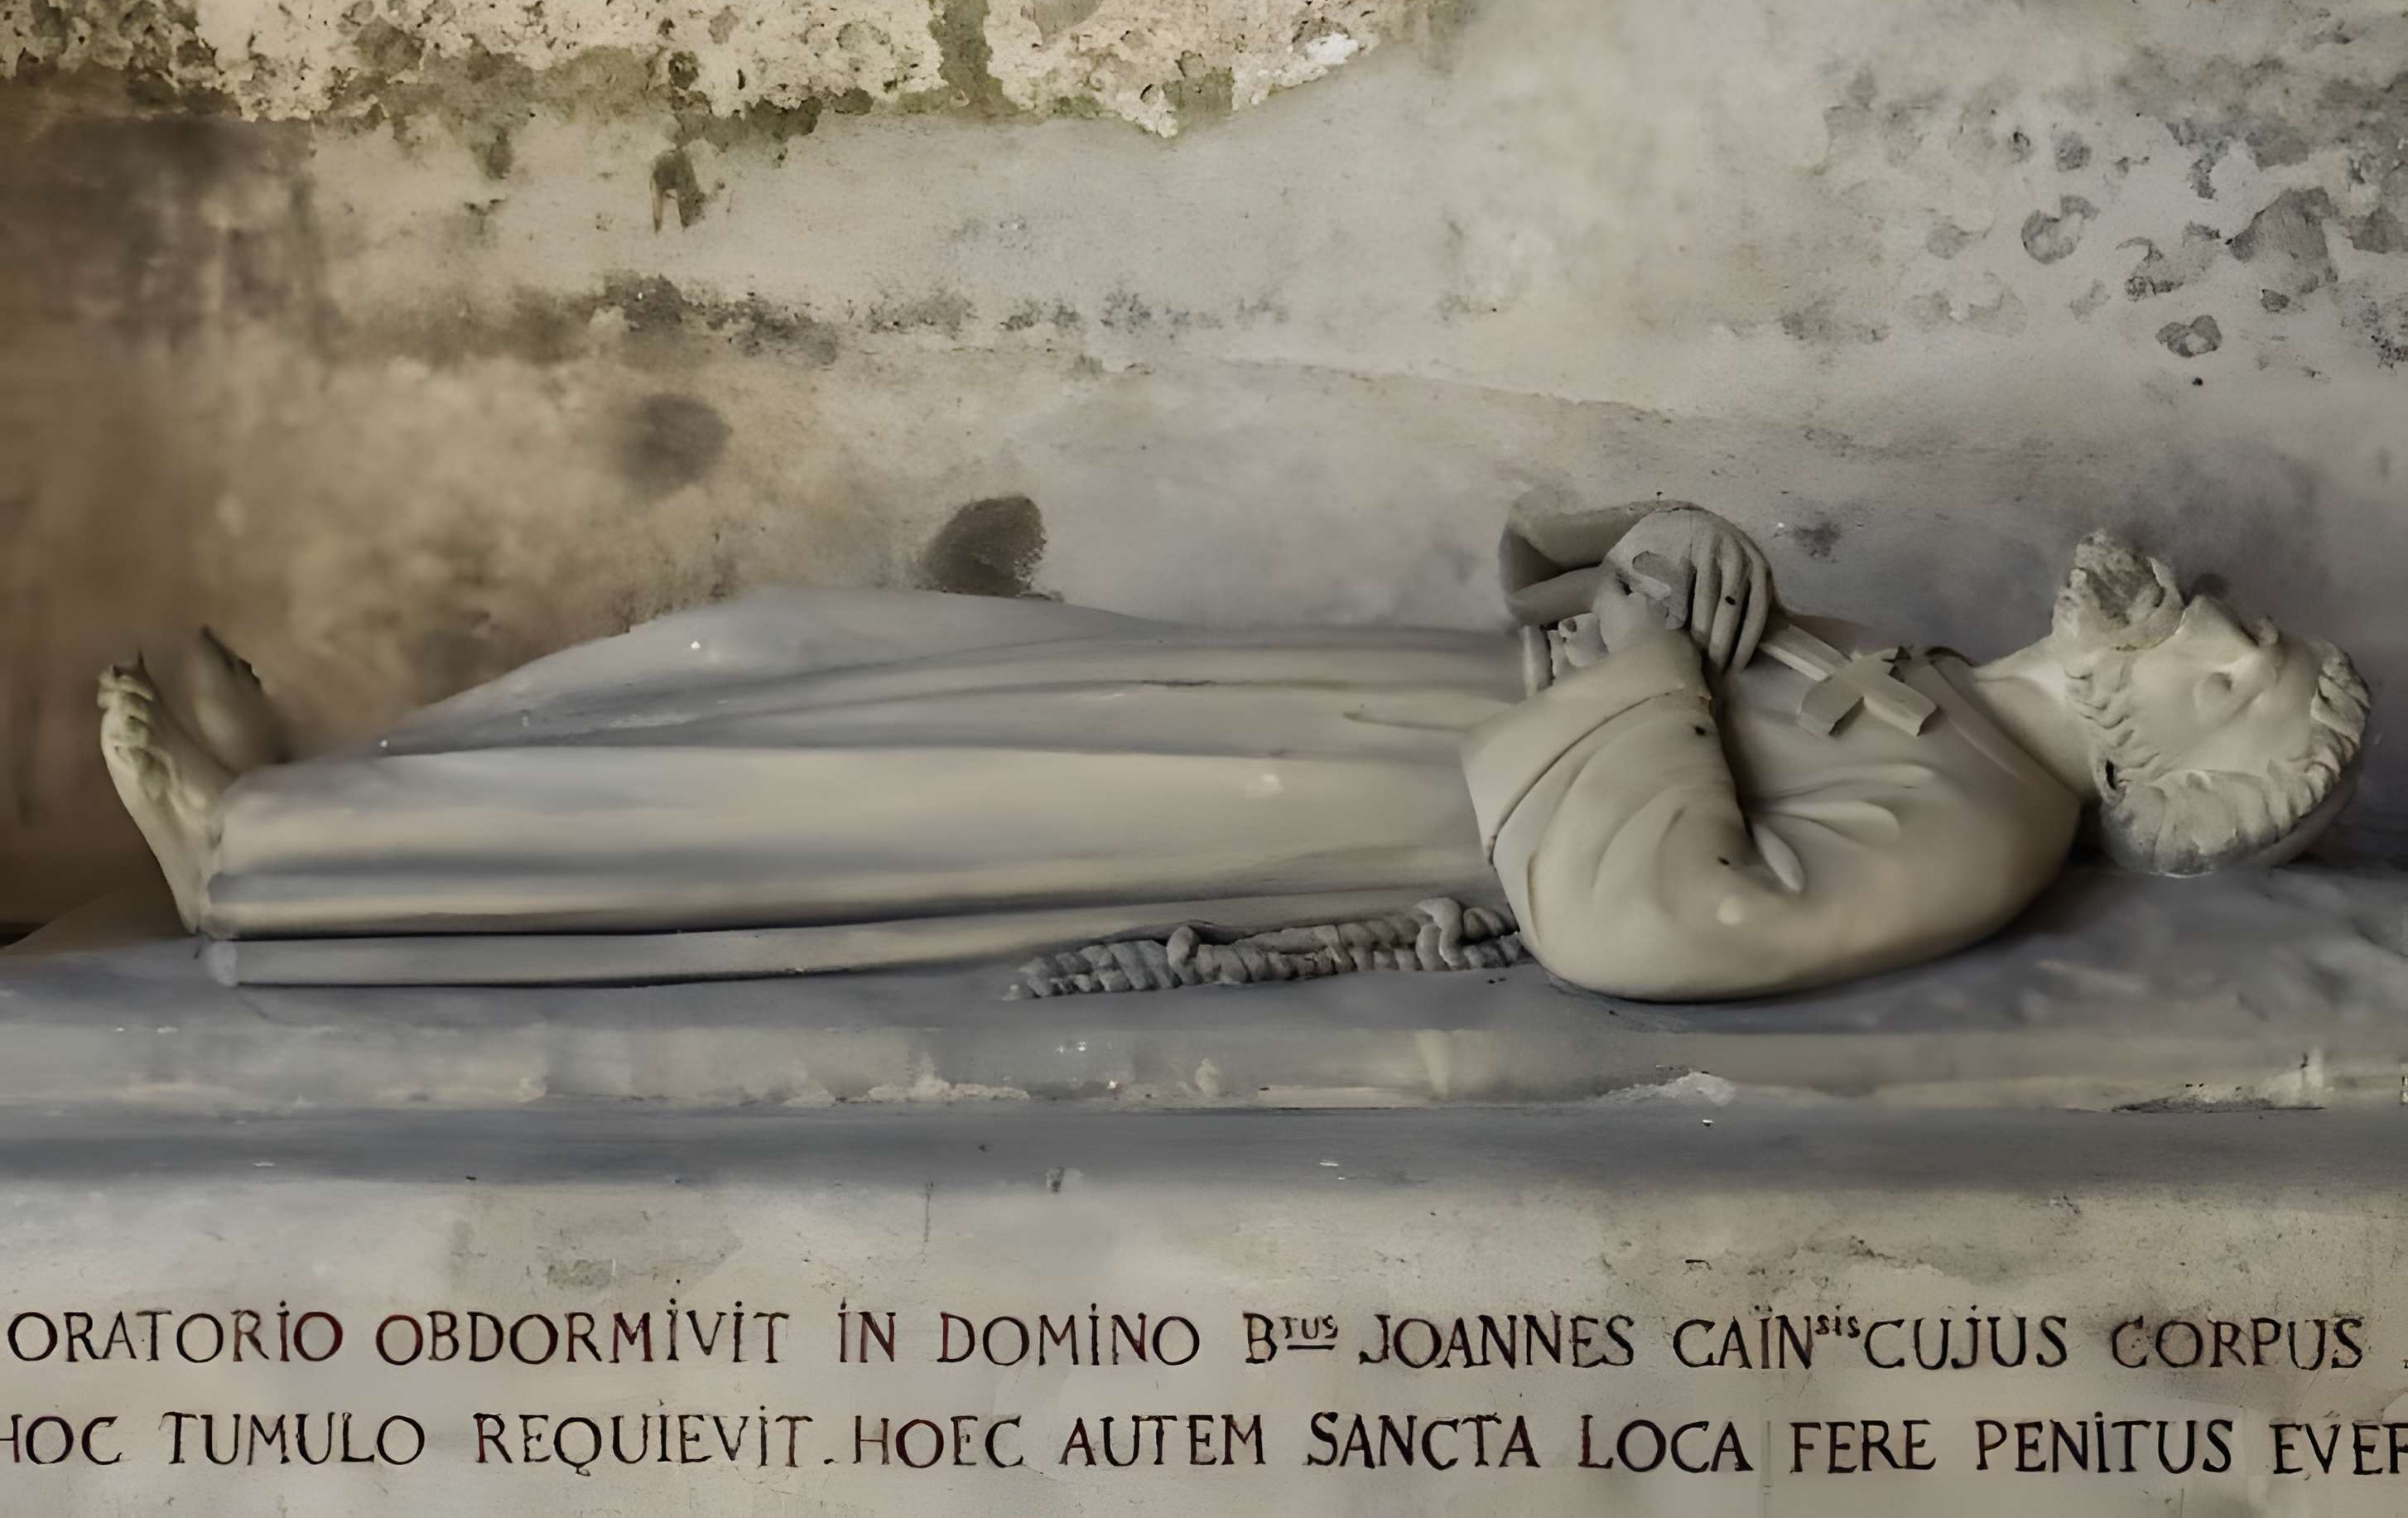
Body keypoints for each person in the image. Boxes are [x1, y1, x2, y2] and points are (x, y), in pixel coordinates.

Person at [96, 504, 2368, 998]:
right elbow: (1583, 588)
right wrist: (1647, 545)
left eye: (2241, 657)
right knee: (800, 649)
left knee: (822, 790)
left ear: (2185, 751)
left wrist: (1650, 662)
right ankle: (366, 776)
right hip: (1351, 691)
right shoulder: (1960, 684)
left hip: (1357, 804)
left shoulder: (1979, 814)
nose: (2220, 614)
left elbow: (1654, 923)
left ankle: (281, 862)